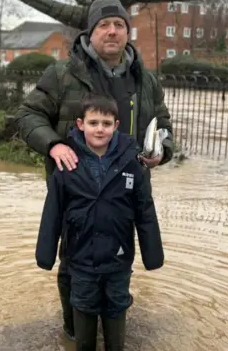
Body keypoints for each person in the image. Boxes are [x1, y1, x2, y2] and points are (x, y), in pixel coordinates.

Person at [14, 0, 174, 341]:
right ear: (90, 31)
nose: (112, 31)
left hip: (124, 192)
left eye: (119, 25)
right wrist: (53, 144)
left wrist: (164, 150)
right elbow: (28, 115)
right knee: (72, 264)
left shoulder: (145, 80)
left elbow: (162, 123)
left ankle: (114, 321)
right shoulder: (62, 74)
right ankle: (74, 330)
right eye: (104, 25)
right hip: (76, 191)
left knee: (119, 258)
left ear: (127, 33)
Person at [35, 95, 164, 351]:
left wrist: (153, 255)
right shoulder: (66, 162)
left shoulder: (132, 162)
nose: (100, 129)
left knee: (117, 304)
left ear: (116, 126)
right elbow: (53, 211)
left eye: (106, 123)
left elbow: (144, 209)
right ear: (81, 124)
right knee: (82, 304)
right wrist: (46, 254)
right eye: (93, 122)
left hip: (119, 257)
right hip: (80, 258)